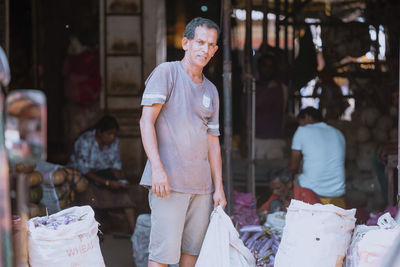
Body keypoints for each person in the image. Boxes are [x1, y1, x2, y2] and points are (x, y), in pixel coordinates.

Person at [139, 17, 227, 267]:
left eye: (211, 45)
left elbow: (213, 142)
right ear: (185, 42)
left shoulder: (211, 90)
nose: (205, 49)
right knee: (162, 258)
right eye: (200, 42)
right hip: (168, 184)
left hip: (201, 188)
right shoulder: (167, 73)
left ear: (216, 50)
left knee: (192, 256)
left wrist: (218, 187)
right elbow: (146, 122)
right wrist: (157, 169)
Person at [67, 115, 136, 233]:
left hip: (104, 174)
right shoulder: (84, 141)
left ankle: (134, 232)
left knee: (124, 195)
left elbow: (116, 167)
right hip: (83, 176)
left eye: (114, 134)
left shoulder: (115, 142)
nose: (112, 137)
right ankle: (91, 231)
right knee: (88, 192)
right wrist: (108, 183)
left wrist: (120, 182)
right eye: (109, 134)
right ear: (100, 132)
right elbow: (84, 170)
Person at [290, 107, 346, 208]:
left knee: (294, 181)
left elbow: (294, 165)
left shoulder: (302, 130)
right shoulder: (338, 133)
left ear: (307, 117)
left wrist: (291, 177)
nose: (300, 125)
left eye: (300, 121)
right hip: (338, 192)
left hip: (312, 191)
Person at [255, 53, 288, 160]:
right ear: (259, 68)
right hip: (255, 139)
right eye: (265, 66)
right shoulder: (251, 88)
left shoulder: (281, 88)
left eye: (270, 67)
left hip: (275, 140)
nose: (267, 70)